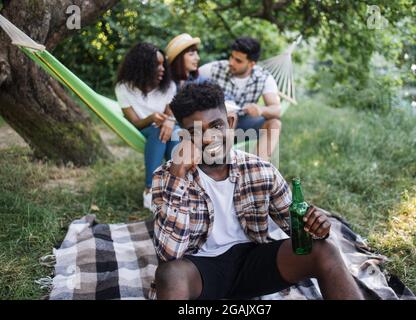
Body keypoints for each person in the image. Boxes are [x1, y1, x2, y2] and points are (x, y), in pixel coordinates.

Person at [150, 82, 363, 300]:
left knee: (324, 249)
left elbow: (296, 229)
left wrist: (315, 226)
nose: (208, 138)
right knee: (169, 275)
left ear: (231, 123)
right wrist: (178, 178)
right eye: (196, 132)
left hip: (253, 264)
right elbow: (168, 255)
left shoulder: (261, 170)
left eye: (216, 126)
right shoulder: (166, 176)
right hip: (201, 271)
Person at [115, 42, 179, 209]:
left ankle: (175, 187)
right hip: (144, 129)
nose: (162, 68)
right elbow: (135, 122)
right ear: (142, 66)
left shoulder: (168, 86)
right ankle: (150, 189)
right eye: (156, 64)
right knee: (159, 131)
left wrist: (168, 122)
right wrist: (151, 118)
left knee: (175, 135)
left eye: (163, 64)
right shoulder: (124, 88)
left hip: (170, 127)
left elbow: (170, 114)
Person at [199, 37, 282, 161]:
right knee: (230, 115)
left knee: (275, 123)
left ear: (251, 64)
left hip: (244, 125)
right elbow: (189, 79)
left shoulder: (264, 78)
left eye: (238, 60)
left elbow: (277, 110)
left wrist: (261, 109)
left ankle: (257, 168)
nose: (231, 62)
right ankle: (220, 165)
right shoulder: (214, 69)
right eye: (231, 57)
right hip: (215, 125)